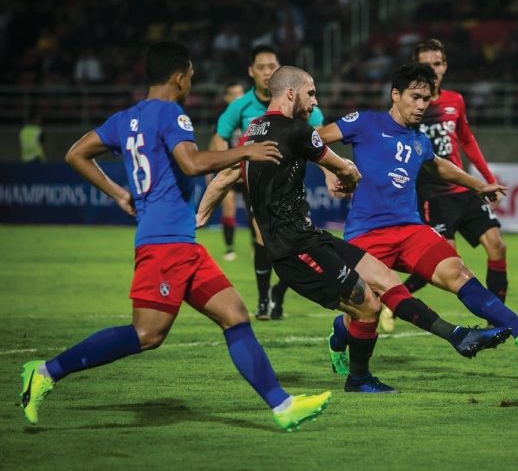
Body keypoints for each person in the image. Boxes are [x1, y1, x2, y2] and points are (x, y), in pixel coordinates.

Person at [18, 41, 331, 431]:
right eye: (191, 76)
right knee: (147, 334)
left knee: (234, 315)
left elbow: (75, 153)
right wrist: (244, 153)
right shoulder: (172, 115)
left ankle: (283, 406)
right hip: (165, 243)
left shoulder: (125, 118)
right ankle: (46, 371)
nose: (191, 83)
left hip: (179, 241)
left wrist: (119, 193)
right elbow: (193, 162)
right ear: (179, 76)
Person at [197, 66, 513, 393]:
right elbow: (346, 168)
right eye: (311, 93)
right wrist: (345, 176)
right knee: (370, 307)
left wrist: (199, 216)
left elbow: (225, 176)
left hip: (310, 237)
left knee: (385, 281)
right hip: (293, 250)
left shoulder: (255, 130)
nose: (316, 102)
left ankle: (458, 336)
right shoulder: (301, 132)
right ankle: (367, 375)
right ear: (291, 94)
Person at [319, 63, 518, 376]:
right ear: (395, 95)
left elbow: (439, 167)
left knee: (457, 271)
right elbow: (313, 141)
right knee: (365, 312)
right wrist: (331, 169)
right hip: (366, 235)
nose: (421, 105)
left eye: (426, 99)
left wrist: (478, 185)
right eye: (415, 97)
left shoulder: (419, 141)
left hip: (410, 229)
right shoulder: (365, 122)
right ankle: (338, 339)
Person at [210, 44, 324, 321]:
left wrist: (331, 171)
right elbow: (219, 136)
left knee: (297, 244)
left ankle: (278, 295)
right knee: (264, 239)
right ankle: (263, 300)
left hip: (292, 187)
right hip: (258, 190)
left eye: (271, 66)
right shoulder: (240, 106)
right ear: (251, 72)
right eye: (260, 67)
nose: (266, 72)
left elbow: (321, 136)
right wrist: (226, 168)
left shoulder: (298, 102)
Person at [400, 39, 510, 309]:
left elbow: (467, 140)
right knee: (447, 263)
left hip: (463, 188)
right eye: (426, 64)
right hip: (433, 195)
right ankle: (392, 298)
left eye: (437, 63)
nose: (433, 69)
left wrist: (488, 179)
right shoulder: (409, 105)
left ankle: (498, 320)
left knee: (497, 245)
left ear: (445, 66)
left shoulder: (455, 101)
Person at [213, 80, 246, 262]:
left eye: (240, 93)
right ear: (226, 98)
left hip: (248, 170)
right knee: (228, 207)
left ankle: (256, 246)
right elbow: (215, 142)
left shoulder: (251, 114)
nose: (237, 98)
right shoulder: (223, 119)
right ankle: (229, 248)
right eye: (233, 94)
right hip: (230, 170)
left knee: (254, 211)